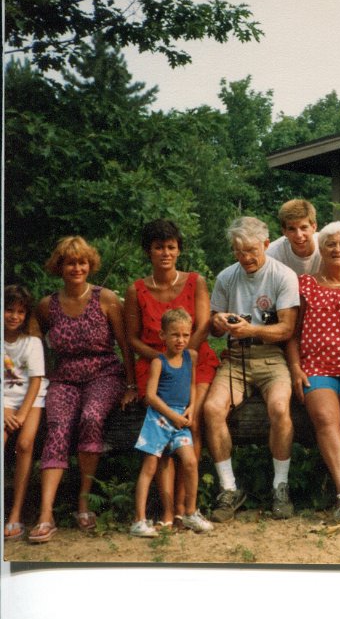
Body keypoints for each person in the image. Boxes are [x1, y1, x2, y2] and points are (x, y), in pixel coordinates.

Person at [30, 237, 137, 543]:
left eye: (82, 262)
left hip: (104, 372)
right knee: (58, 427)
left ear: (90, 265)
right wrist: (44, 377)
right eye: (70, 263)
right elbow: (34, 343)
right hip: (64, 377)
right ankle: (46, 514)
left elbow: (125, 345)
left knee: (91, 418)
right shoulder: (47, 305)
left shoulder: (106, 299)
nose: (76, 268)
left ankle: (84, 500)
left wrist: (130, 384)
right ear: (59, 267)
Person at [124, 219, 219, 530]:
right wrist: (164, 359)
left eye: (170, 247)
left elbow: (203, 326)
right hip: (154, 363)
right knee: (163, 436)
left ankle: (185, 507)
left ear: (179, 250)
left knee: (194, 422)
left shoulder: (196, 281)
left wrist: (181, 355)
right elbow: (132, 338)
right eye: (158, 247)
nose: (165, 253)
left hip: (194, 358)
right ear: (148, 251)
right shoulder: (137, 289)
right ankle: (167, 511)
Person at [204, 216, 299, 522]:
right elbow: (215, 328)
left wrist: (252, 330)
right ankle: (229, 487)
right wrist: (217, 322)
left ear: (266, 245)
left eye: (250, 250)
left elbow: (286, 329)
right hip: (235, 358)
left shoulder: (283, 275)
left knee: (280, 409)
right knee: (212, 409)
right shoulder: (226, 277)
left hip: (272, 357)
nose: (245, 257)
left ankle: (280, 485)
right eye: (238, 251)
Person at [286, 221, 340, 523]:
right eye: (331, 244)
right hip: (316, 367)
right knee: (325, 419)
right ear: (321, 249)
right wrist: (295, 367)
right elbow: (292, 334)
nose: (336, 249)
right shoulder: (304, 284)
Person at [130, 308, 213, 537]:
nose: (181, 340)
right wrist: (173, 416)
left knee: (190, 461)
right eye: (175, 335)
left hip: (180, 419)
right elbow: (150, 396)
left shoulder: (191, 357)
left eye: (185, 335)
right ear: (162, 336)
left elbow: (193, 385)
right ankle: (139, 520)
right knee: (149, 467)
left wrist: (191, 408)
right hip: (159, 418)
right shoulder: (159, 362)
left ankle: (190, 512)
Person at [3, 285, 49, 541]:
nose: (14, 316)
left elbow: (35, 382)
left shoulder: (32, 342)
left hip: (31, 398)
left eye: (20, 312)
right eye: (9, 310)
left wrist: (21, 415)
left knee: (24, 442)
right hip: (4, 399)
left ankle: (16, 513)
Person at [266, 198, 323, 275]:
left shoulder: (327, 247)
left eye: (303, 227)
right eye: (291, 229)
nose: (299, 235)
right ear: (284, 231)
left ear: (314, 227)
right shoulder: (271, 255)